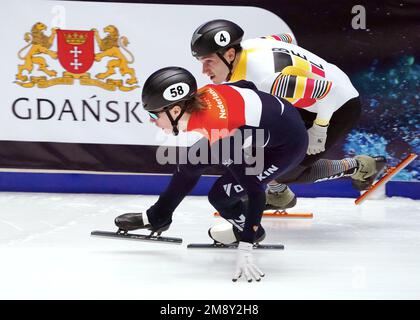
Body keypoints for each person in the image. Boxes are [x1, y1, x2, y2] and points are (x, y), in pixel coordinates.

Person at [115, 66, 309, 281]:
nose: (151, 120)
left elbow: (256, 193)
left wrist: (245, 245)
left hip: (286, 147)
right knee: (189, 162)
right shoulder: (205, 93)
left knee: (221, 197)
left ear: (176, 111)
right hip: (262, 129)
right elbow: (246, 86)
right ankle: (158, 217)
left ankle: (250, 230)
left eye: (154, 114)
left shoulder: (220, 133)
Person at [190, 19, 386, 210]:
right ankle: (278, 193)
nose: (204, 70)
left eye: (209, 61)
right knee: (257, 141)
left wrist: (319, 130)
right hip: (310, 96)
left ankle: (361, 166)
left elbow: (331, 92)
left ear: (230, 54)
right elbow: (287, 38)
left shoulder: (267, 79)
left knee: (288, 168)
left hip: (338, 105)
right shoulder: (251, 45)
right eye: (201, 61)